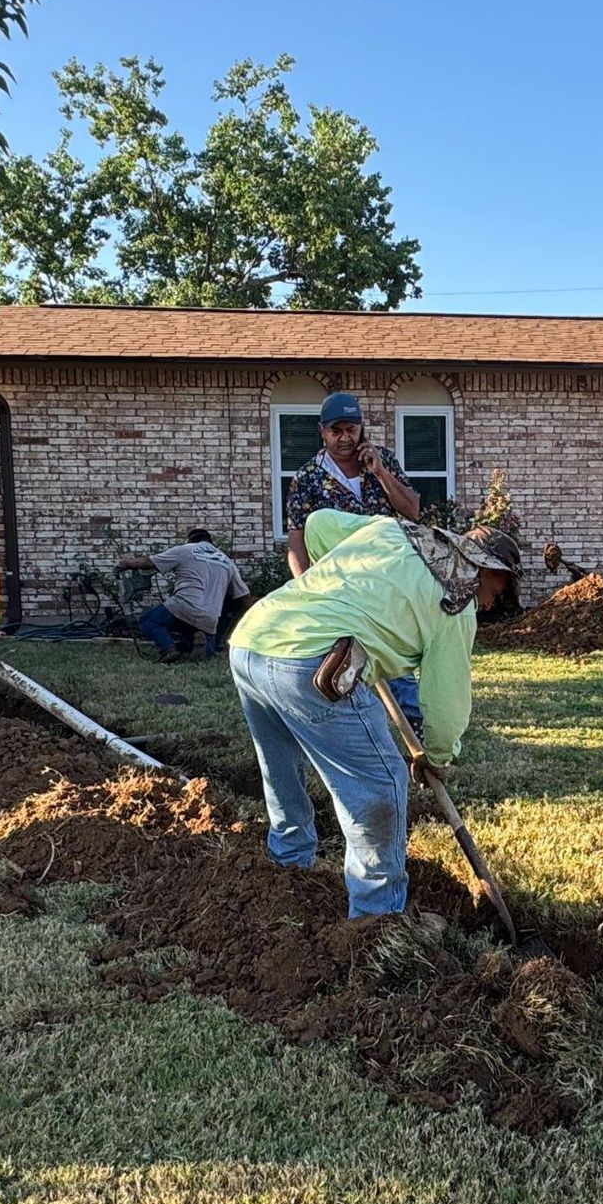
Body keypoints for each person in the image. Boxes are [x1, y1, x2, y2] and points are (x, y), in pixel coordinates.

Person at [229, 511, 519, 921]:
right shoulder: (456, 603)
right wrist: (436, 756)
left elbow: (319, 525)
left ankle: (288, 868)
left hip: (252, 639)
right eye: (499, 590)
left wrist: (349, 591)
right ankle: (376, 918)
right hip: (314, 665)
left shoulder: (392, 531)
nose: (492, 603)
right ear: (487, 570)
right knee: (380, 784)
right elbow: (447, 702)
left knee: (280, 765)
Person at [283, 391, 426, 728]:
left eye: (352, 429)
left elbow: (413, 511)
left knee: (392, 647)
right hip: (339, 583)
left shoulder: (383, 460)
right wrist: (306, 586)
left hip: (385, 578)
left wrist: (380, 474)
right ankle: (346, 722)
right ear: (322, 431)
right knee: (342, 655)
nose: (345, 438)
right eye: (336, 431)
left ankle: (413, 722)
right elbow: (296, 540)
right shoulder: (307, 479)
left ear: (362, 429)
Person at [117, 528, 251, 663]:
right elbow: (244, 597)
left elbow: (149, 563)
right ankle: (203, 646)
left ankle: (169, 649)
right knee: (210, 650)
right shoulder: (227, 561)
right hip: (210, 616)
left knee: (148, 621)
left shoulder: (185, 550)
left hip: (183, 606)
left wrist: (127, 563)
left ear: (190, 540)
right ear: (210, 542)